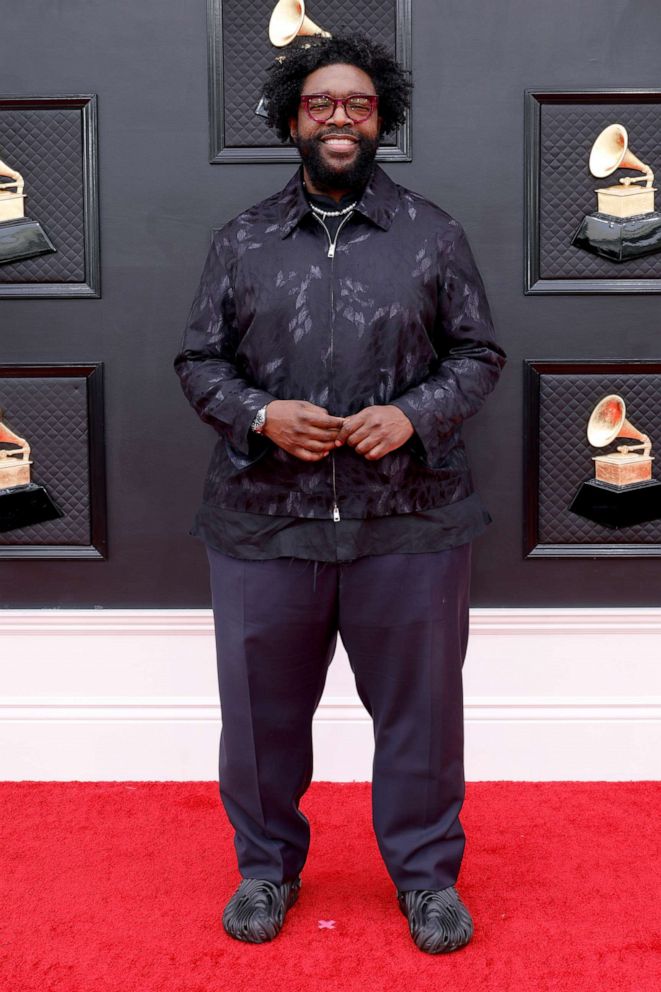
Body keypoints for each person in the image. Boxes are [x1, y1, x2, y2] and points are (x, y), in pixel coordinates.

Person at [174, 34, 506, 955]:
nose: (339, 119)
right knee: (257, 718)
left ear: (380, 121)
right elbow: (199, 361)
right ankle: (265, 870)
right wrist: (259, 414)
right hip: (262, 520)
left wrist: (414, 415)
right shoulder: (241, 240)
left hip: (413, 520)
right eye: (321, 104)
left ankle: (427, 879)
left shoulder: (432, 234)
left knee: (423, 716)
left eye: (357, 105)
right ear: (292, 119)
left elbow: (477, 355)